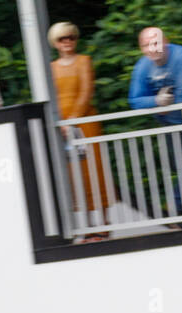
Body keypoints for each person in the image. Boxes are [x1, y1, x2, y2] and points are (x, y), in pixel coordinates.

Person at [128, 27, 182, 218]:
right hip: (169, 123)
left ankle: (176, 207)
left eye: (156, 43)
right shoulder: (143, 66)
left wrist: (160, 105)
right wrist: (156, 102)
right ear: (141, 48)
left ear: (165, 42)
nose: (152, 49)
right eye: (146, 45)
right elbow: (134, 100)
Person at [50, 21, 111, 237]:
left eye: (71, 37)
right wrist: (61, 122)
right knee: (74, 174)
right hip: (63, 127)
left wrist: (73, 119)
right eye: (61, 38)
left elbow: (86, 91)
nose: (67, 42)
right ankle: (85, 225)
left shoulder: (84, 61)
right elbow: (52, 97)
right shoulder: (51, 67)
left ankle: (104, 222)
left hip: (86, 123)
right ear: (55, 43)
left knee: (95, 168)